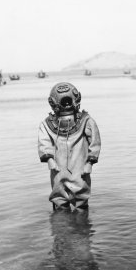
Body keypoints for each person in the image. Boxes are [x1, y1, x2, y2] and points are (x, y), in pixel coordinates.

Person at [38, 82, 101, 211]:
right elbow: (44, 141)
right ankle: (62, 222)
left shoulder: (85, 121)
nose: (66, 105)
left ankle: (82, 224)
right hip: (58, 169)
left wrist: (90, 162)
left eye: (68, 101)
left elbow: (95, 141)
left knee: (81, 197)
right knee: (59, 197)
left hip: (80, 167)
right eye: (64, 102)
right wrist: (49, 159)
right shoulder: (47, 124)